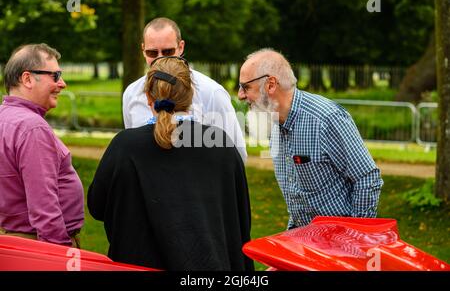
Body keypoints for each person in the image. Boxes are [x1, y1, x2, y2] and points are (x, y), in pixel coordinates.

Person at [88, 56, 254, 271]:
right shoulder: (221, 145)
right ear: (191, 95)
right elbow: (241, 219)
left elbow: (97, 206)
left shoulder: (125, 146)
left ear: (148, 97)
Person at [238, 48, 383, 229]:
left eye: (245, 87)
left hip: (339, 244)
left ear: (270, 85)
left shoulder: (327, 119)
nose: (240, 95)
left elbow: (367, 178)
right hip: (306, 241)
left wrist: (356, 237)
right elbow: (299, 196)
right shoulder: (274, 122)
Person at [122, 17, 247, 162]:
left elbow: (236, 154)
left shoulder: (212, 92)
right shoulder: (131, 93)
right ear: (143, 50)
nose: (160, 59)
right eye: (152, 53)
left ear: (181, 47)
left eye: (168, 51)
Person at [0, 43, 84, 248]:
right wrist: (60, 255)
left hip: (15, 241)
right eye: (55, 76)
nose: (62, 83)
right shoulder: (32, 127)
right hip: (41, 245)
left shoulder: (4, 117)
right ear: (27, 79)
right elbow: (44, 209)